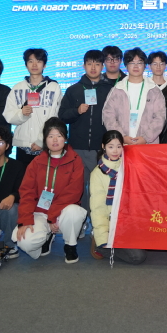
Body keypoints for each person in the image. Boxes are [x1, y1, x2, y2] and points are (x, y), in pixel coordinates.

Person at [12, 118, 86, 262]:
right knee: (24, 241)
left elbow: (74, 193)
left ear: (65, 138)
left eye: (59, 135)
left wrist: (53, 215)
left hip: (63, 212)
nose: (55, 140)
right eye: (51, 136)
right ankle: (46, 236)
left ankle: (70, 245)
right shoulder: (36, 162)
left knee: (75, 212)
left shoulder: (75, 160)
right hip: (40, 212)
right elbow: (27, 192)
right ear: (45, 139)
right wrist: (25, 219)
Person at [59, 49, 113, 212]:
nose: (93, 67)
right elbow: (62, 115)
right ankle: (80, 221)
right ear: (84, 66)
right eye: (89, 64)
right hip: (78, 148)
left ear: (102, 66)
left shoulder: (110, 90)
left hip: (100, 149)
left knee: (100, 189)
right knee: (79, 188)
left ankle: (98, 223)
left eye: (97, 64)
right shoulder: (74, 89)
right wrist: (77, 110)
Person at [89, 130, 147, 264]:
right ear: (103, 146)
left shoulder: (128, 166)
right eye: (111, 146)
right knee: (137, 257)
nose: (115, 151)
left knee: (150, 243)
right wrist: (103, 238)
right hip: (110, 224)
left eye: (118, 146)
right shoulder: (97, 173)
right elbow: (98, 209)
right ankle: (99, 245)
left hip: (128, 223)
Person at [3, 48, 63, 167]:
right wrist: (21, 114)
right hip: (23, 145)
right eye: (30, 61)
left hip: (45, 145)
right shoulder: (17, 87)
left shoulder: (53, 87)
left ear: (44, 65)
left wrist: (41, 140)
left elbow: (55, 117)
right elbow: (8, 115)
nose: (34, 65)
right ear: (26, 65)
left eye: (38, 61)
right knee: (23, 177)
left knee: (44, 177)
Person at [102, 47, 166, 145]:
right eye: (132, 63)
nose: (136, 66)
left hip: (148, 145)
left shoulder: (154, 90)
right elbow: (108, 116)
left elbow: (160, 117)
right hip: (121, 145)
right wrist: (122, 137)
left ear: (145, 65)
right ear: (126, 66)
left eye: (139, 63)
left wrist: (145, 138)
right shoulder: (117, 89)